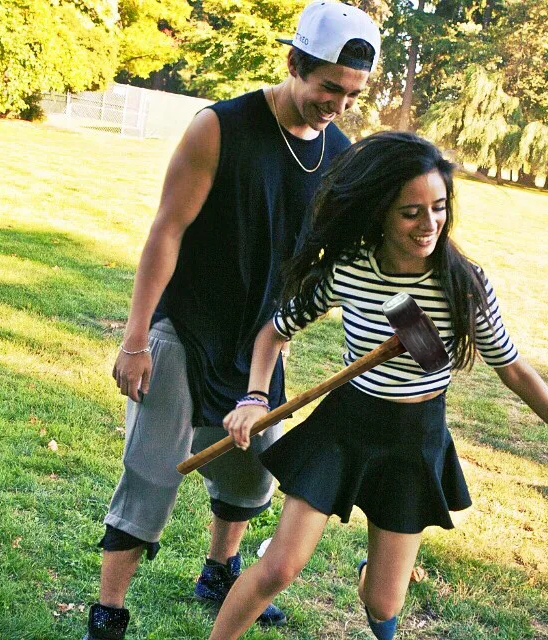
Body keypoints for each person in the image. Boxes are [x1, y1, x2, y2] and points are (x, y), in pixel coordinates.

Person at [211, 131, 548, 640]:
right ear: (380, 212)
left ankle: (373, 576)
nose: (429, 224)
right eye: (411, 212)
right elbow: (274, 333)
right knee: (278, 568)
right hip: (345, 427)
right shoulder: (350, 269)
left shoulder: (463, 285)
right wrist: (255, 397)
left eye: (439, 208)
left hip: (414, 436)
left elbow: (514, 369)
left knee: (384, 602)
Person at [82, 2, 382, 639]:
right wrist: (135, 340)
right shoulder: (219, 128)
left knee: (253, 471)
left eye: (352, 95)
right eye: (329, 87)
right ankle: (108, 611)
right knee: (151, 473)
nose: (337, 105)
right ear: (294, 63)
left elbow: (338, 257)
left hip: (260, 343)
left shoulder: (340, 155)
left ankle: (219, 572)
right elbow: (167, 230)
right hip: (184, 328)